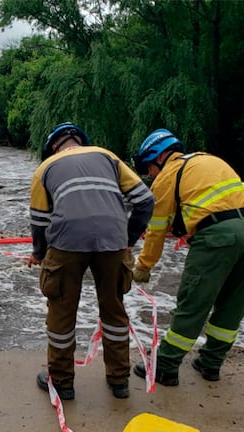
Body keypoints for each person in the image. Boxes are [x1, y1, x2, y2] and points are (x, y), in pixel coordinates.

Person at [130, 128, 244, 386]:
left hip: (217, 237)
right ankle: (211, 363)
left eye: (148, 168)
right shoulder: (209, 160)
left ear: (158, 158)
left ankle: (166, 365)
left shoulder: (167, 177)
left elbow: (156, 230)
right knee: (233, 301)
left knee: (194, 300)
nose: (149, 175)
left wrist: (143, 266)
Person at [28, 122, 154, 399]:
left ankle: (61, 382)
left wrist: (38, 254)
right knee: (114, 310)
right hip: (113, 242)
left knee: (61, 312)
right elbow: (145, 201)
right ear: (81, 142)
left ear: (53, 146)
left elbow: (39, 221)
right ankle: (119, 380)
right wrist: (128, 240)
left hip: (66, 243)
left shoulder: (45, 168)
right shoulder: (109, 156)